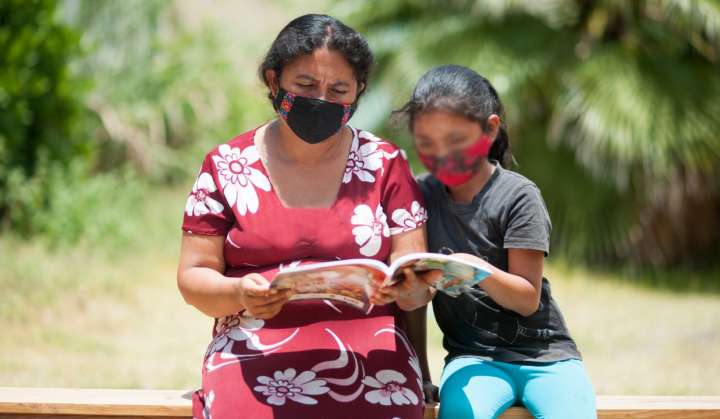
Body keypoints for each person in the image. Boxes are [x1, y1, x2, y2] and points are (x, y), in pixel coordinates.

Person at [177, 14, 433, 419]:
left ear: (359, 92)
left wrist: (406, 289)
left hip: (372, 348)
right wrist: (241, 293)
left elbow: (415, 278)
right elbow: (193, 277)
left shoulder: (385, 164)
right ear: (273, 80)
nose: (322, 101)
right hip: (251, 344)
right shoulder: (226, 165)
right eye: (306, 86)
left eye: (339, 89)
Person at [396, 65, 597, 419]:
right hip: (472, 360)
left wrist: (478, 271)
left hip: (547, 358)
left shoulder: (518, 196)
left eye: (456, 141)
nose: (441, 155)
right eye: (427, 144)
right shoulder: (419, 195)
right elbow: (414, 301)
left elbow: (526, 299)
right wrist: (422, 375)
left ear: (490, 129)